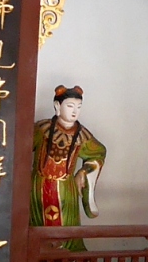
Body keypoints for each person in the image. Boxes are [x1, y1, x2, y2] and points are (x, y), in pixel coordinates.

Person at [31, 85, 107, 251]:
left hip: (66, 190)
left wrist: (84, 172)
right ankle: (39, 260)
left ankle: (68, 259)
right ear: (57, 106)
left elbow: (98, 153)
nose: (75, 111)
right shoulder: (42, 129)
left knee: (67, 228)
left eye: (79, 107)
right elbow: (20, 148)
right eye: (70, 106)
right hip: (38, 188)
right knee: (37, 227)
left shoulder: (82, 136)